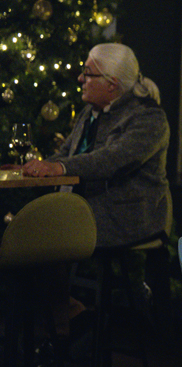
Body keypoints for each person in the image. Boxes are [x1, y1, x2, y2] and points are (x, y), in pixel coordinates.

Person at [22, 43, 170, 249]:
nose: (80, 79)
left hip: (125, 222)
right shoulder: (89, 111)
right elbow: (66, 153)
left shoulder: (148, 117)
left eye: (88, 73)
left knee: (39, 244)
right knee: (28, 235)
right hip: (82, 213)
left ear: (111, 84)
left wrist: (60, 167)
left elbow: (111, 160)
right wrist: (34, 168)